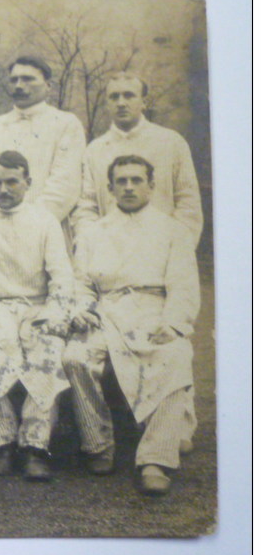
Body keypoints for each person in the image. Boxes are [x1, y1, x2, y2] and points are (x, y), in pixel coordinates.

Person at [63, 156, 200, 496]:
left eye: (136, 180)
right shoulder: (94, 232)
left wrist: (173, 323)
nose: (128, 187)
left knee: (176, 353)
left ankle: (156, 459)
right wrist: (83, 309)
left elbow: (183, 285)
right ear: (109, 189)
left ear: (151, 187)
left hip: (154, 310)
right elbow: (81, 284)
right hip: (107, 311)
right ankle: (98, 445)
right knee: (75, 356)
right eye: (121, 181)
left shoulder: (172, 230)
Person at [0, 150, 74, 481]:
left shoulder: (45, 220)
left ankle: (35, 447)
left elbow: (61, 275)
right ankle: (0, 444)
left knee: (48, 351)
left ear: (27, 183)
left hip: (37, 307)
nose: (3, 190)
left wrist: (54, 313)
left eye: (11, 182)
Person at [72, 72, 203, 245]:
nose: (121, 103)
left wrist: (177, 247)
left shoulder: (171, 142)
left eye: (129, 96)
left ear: (144, 102)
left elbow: (188, 202)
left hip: (161, 247)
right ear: (107, 104)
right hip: (110, 250)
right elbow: (86, 206)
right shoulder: (95, 150)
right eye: (114, 97)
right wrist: (92, 244)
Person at [0, 56, 85, 224]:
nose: (19, 86)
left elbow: (65, 185)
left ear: (48, 86)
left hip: (46, 226)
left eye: (28, 79)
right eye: (14, 80)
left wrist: (31, 224)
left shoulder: (66, 124)